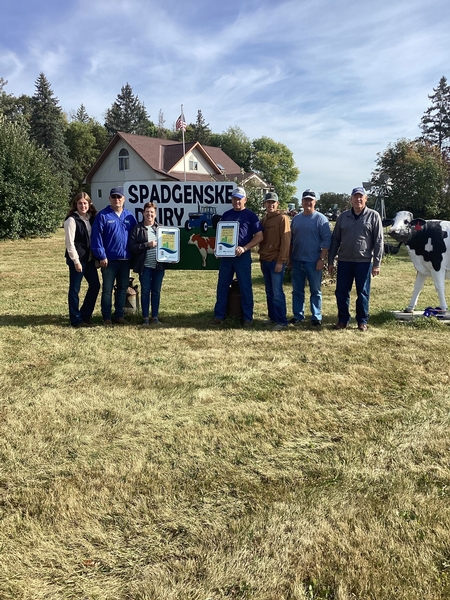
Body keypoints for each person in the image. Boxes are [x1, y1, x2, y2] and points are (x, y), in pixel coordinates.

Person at [328, 187, 383, 332]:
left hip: (363, 262)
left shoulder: (373, 216)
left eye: (361, 197)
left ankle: (362, 321)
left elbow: (378, 241)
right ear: (351, 199)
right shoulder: (343, 217)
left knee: (363, 292)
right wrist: (330, 261)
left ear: (365, 199)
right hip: (344, 261)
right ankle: (342, 320)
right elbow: (335, 240)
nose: (358, 199)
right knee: (341, 292)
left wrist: (376, 264)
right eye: (355, 197)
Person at [211, 186, 263, 327]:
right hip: (226, 257)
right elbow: (221, 235)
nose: (237, 202)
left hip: (242, 256)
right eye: (234, 199)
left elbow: (259, 236)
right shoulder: (226, 215)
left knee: (245, 286)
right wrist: (219, 248)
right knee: (222, 285)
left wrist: (245, 248)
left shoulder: (251, 216)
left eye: (239, 199)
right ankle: (219, 316)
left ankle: (247, 318)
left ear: (245, 200)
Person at [91, 187, 137, 325]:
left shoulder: (129, 217)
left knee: (122, 289)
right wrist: (101, 256)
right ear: (110, 199)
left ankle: (119, 315)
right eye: (114, 197)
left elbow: (135, 237)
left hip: (125, 260)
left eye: (119, 197)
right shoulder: (103, 216)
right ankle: (106, 317)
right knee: (107, 290)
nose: (117, 200)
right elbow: (96, 237)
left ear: (124, 199)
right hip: (109, 260)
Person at [290, 189, 332, 327]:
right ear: (302, 202)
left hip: (314, 261)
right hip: (297, 260)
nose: (308, 202)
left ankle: (316, 316)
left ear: (315, 202)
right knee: (297, 290)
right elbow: (291, 240)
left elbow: (327, 240)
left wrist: (322, 259)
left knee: (315, 290)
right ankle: (298, 315)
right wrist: (289, 258)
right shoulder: (296, 219)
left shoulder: (321, 219)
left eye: (310, 200)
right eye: (305, 200)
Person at [64, 192, 100, 328]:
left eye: (85, 203)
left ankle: (85, 315)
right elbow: (70, 244)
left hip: (89, 259)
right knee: (74, 290)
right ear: (75, 205)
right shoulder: (71, 220)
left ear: (89, 204)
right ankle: (76, 320)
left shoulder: (91, 218)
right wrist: (76, 261)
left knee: (95, 285)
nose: (83, 205)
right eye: (80, 203)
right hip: (78, 260)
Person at [258, 192, 291, 330]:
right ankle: (273, 317)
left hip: (276, 261)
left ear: (277, 204)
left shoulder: (283, 219)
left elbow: (286, 241)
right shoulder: (264, 220)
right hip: (265, 260)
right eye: (268, 202)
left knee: (277, 292)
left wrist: (281, 260)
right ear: (264, 204)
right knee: (269, 291)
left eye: (273, 202)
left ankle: (282, 321)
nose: (270, 205)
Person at [129, 202, 165, 326]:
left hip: (158, 266)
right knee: (145, 291)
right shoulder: (137, 228)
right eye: (147, 212)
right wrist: (147, 245)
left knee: (156, 291)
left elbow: (167, 245)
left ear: (155, 214)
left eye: (152, 212)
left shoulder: (161, 228)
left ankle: (155, 317)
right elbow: (132, 247)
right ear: (143, 213)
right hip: (145, 266)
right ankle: (145, 318)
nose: (149, 214)